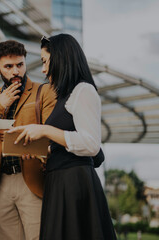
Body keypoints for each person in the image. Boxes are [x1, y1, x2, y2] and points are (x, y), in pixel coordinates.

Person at [9, 34, 117, 240]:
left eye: (45, 61)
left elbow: (91, 144)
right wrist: (44, 151)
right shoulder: (65, 96)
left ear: (61, 58)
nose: (42, 69)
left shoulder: (83, 90)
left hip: (74, 185)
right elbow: (69, 140)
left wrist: (44, 130)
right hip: (59, 182)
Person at [0, 40, 56, 240]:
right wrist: (0, 106)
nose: (16, 71)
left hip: (33, 178)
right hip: (2, 181)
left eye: (20, 65)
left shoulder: (45, 92)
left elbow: (51, 133)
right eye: (8, 66)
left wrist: (11, 135)